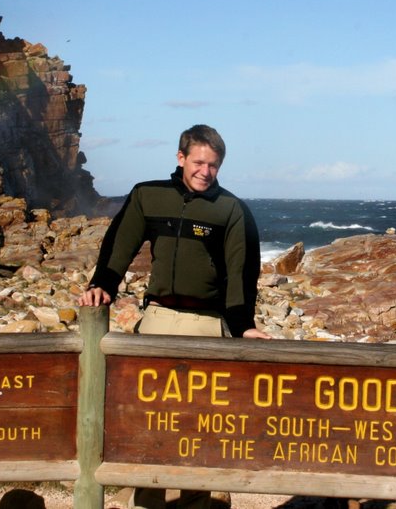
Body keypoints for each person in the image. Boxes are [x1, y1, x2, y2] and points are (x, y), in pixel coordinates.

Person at [78, 124, 270, 509]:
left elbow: (242, 274)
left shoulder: (232, 210)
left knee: (202, 423)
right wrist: (102, 285)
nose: (205, 171)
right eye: (199, 162)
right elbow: (120, 244)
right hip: (158, 321)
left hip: (207, 326)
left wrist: (244, 326)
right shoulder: (148, 195)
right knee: (151, 419)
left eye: (214, 165)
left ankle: (199, 499)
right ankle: (148, 498)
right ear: (181, 158)